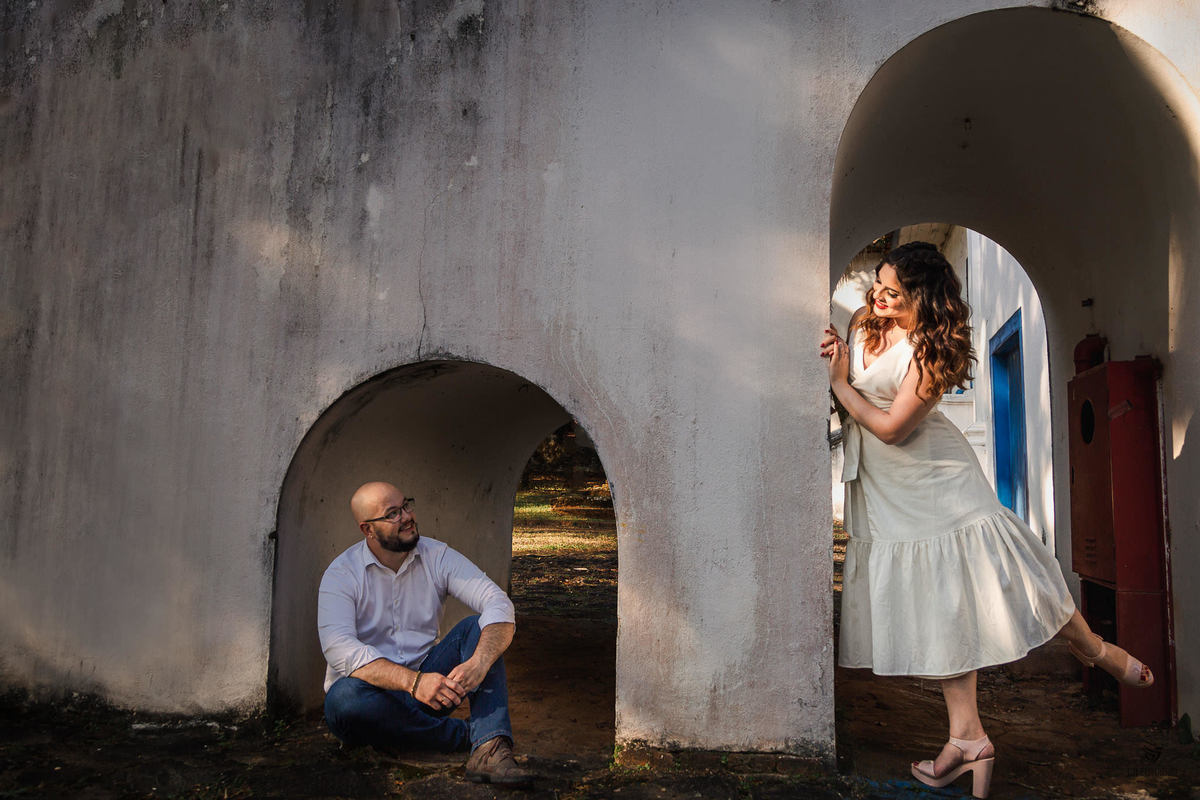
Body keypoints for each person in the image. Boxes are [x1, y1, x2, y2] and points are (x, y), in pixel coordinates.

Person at [820, 242, 1153, 799]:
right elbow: (849, 374)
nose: (877, 296)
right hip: (886, 488)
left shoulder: (933, 349)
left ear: (922, 297)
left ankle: (1094, 650)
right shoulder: (864, 319)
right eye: (877, 284)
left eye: (892, 292)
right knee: (940, 609)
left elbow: (892, 427)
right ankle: (967, 738)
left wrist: (837, 382)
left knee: (1011, 572)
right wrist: (835, 352)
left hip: (937, 480)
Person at [317, 480, 535, 788]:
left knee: (476, 627)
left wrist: (480, 662)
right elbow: (339, 649)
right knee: (344, 701)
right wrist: (412, 683)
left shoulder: (436, 555)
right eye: (392, 513)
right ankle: (472, 735)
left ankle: (487, 751)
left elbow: (497, 601)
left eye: (406, 505)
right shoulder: (341, 574)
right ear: (368, 530)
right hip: (372, 696)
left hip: (431, 689)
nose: (407, 516)